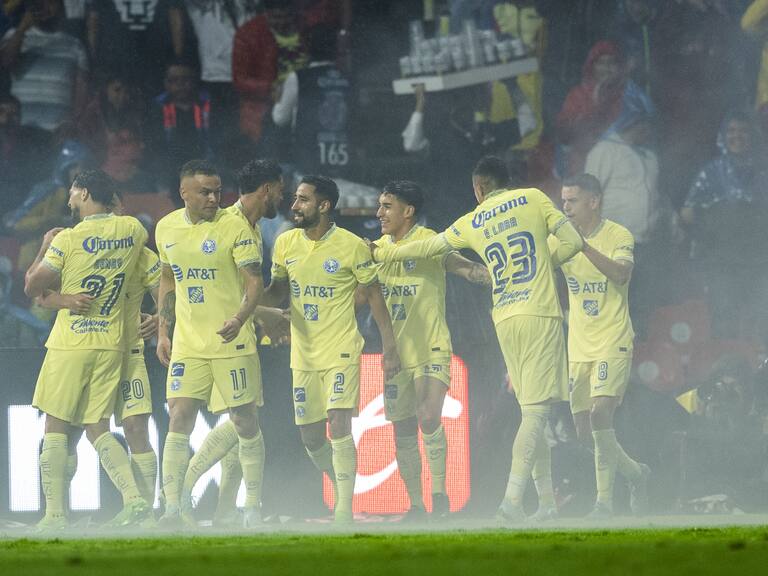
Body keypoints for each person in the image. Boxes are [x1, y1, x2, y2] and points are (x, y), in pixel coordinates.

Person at [372, 156, 583, 522]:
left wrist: (387, 251)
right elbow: (574, 241)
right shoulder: (533, 198)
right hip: (538, 313)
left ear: (479, 188)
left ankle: (545, 503)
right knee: (536, 413)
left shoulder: (472, 220)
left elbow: (434, 248)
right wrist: (544, 263)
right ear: (507, 181)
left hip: (503, 318)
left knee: (528, 410)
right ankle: (511, 503)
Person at [262, 175, 401, 523]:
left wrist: (390, 346)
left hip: (340, 348)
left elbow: (374, 298)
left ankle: (343, 511)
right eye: (294, 198)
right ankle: (342, 488)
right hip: (303, 353)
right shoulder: (285, 244)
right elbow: (277, 290)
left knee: (338, 423)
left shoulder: (352, 245)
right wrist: (253, 311)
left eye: (303, 200)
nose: (294, 206)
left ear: (324, 206)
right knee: (310, 437)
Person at [23, 169, 151, 530]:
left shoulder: (68, 238)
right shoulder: (133, 230)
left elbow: (33, 286)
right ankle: (136, 500)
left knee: (56, 426)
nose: (67, 197)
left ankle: (54, 516)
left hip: (71, 343)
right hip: (111, 345)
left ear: (83, 192)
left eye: (72, 191)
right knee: (97, 425)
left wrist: (46, 246)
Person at [175, 158, 290, 526]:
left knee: (241, 422)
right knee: (243, 421)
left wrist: (267, 317)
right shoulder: (231, 225)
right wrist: (259, 317)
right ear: (268, 190)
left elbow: (237, 291)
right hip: (219, 341)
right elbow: (224, 295)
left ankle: (224, 511)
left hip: (238, 335)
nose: (283, 199)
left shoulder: (250, 226)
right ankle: (181, 497)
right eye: (282, 191)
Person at [154, 159, 267, 529]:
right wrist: (163, 331)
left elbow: (254, 282)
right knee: (179, 415)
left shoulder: (236, 227)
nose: (214, 198)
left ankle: (251, 506)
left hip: (232, 341)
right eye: (205, 191)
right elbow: (168, 280)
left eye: (218, 191)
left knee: (243, 420)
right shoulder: (166, 227)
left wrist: (239, 318)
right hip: (188, 343)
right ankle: (172, 508)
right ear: (183, 192)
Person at [371, 180, 490, 520]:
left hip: (433, 347)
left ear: (408, 211)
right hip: (397, 355)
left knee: (427, 416)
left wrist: (501, 277)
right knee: (403, 429)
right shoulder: (375, 250)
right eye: (380, 205)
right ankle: (416, 505)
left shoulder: (430, 243)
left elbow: (466, 268)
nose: (379, 213)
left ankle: (439, 496)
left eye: (387, 206)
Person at [552, 173, 651, 518]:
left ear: (593, 201)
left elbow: (622, 274)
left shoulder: (617, 235)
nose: (565, 208)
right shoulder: (561, 241)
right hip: (579, 345)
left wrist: (583, 246)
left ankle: (603, 503)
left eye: (572, 201)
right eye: (563, 201)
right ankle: (637, 474)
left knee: (599, 414)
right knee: (584, 433)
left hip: (613, 339)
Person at [680, 110, 768, 341]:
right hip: (721, 261)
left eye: (743, 131)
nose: (737, 136)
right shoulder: (711, 173)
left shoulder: (763, 172)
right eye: (731, 131)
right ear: (722, 136)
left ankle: (756, 372)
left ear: (753, 136)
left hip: (758, 260)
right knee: (723, 314)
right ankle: (725, 371)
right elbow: (687, 213)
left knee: (758, 316)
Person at [271, 24, 352, 177]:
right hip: (347, 166)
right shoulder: (349, 79)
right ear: (335, 49)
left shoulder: (299, 78)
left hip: (308, 166)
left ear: (307, 49)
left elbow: (280, 118)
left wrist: (277, 97)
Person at [0, 0, 88, 132]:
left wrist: (71, 124)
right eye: (40, 2)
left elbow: (82, 93)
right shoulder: (14, 37)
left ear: (61, 7)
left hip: (58, 134)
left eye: (51, 2)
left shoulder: (75, 45)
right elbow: (4, 63)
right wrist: (22, 28)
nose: (45, 7)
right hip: (20, 132)